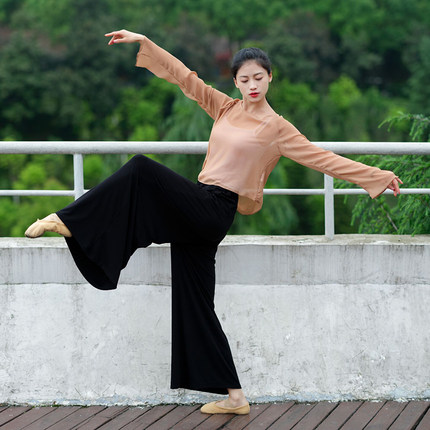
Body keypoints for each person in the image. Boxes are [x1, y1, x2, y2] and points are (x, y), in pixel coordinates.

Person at [25, 29, 402, 415]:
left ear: (270, 77)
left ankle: (69, 220)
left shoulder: (277, 128)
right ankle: (236, 398)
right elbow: (186, 78)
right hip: (199, 206)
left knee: (140, 169)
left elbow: (322, 158)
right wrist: (146, 44)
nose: (252, 85)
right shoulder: (225, 108)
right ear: (235, 82)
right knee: (196, 302)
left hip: (214, 208)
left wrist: (377, 176)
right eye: (244, 79)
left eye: (258, 77)